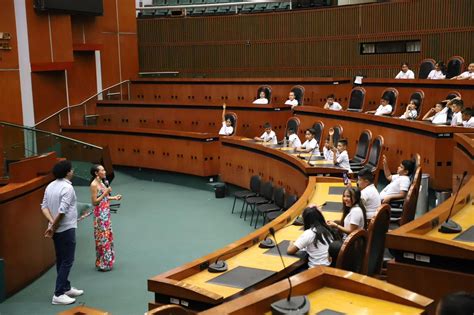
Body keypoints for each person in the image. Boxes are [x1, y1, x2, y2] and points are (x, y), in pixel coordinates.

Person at [41, 160, 83, 305]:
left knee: (61, 258)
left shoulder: (50, 186)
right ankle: (58, 294)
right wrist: (54, 225)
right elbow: (63, 211)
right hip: (66, 228)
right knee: (67, 260)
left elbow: (44, 207)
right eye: (71, 169)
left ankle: (65, 287)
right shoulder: (68, 188)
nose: (73, 171)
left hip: (57, 228)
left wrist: (51, 224)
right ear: (67, 172)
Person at [90, 164, 122, 271]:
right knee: (102, 237)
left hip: (105, 212)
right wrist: (106, 193)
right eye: (102, 170)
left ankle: (107, 261)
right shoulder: (94, 184)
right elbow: (95, 201)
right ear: (96, 173)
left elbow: (105, 197)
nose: (104, 172)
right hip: (100, 215)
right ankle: (103, 263)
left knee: (107, 235)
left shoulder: (101, 182)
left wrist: (114, 197)